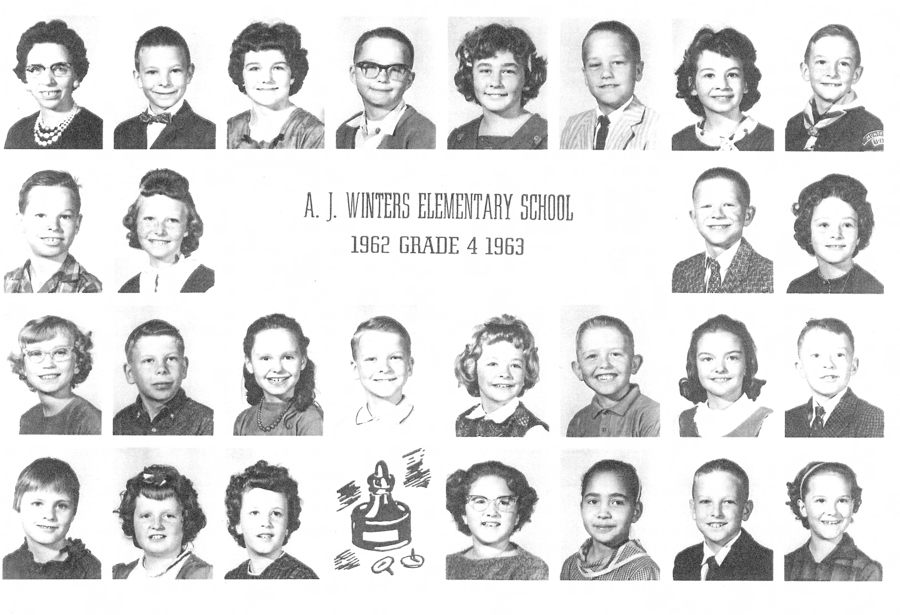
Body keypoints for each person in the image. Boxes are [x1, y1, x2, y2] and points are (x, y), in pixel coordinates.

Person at [560, 21, 660, 150]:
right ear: (585, 76)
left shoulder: (656, 126)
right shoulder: (573, 125)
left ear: (638, 70)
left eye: (617, 62)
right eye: (595, 65)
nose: (606, 73)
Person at [672, 167, 773, 293]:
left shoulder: (768, 274)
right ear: (694, 217)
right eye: (707, 206)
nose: (717, 214)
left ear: (748, 215)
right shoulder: (682, 271)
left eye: (728, 205)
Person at [448, 23, 547, 149]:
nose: (495, 82)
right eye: (485, 71)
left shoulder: (546, 137)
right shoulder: (458, 139)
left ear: (526, 77)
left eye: (508, 71)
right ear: (471, 76)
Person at [114, 26, 215, 149]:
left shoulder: (209, 134)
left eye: (175, 70)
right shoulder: (122, 132)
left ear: (189, 74)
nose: (165, 82)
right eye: (152, 72)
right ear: (138, 78)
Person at [6, 20, 102, 149]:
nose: (47, 81)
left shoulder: (97, 131)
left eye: (59, 68)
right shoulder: (17, 132)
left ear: (76, 75)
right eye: (36, 69)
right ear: (25, 78)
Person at [226, 22, 324, 149]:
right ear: (241, 75)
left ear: (293, 75)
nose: (267, 79)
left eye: (278, 68)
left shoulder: (314, 133)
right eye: (254, 68)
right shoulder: (229, 129)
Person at [785, 24, 882, 151]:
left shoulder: (869, 127)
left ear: (856, 74)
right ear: (805, 71)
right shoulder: (794, 125)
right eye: (821, 62)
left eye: (843, 64)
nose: (832, 73)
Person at [673, 27, 772, 151]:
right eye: (709, 75)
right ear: (692, 85)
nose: (722, 85)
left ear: (746, 83)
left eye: (732, 75)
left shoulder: (769, 141)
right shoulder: (678, 142)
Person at [445, 460, 548, 580]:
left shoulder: (534, 570)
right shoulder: (447, 565)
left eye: (504, 502)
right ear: (463, 514)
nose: (491, 512)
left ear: (518, 515)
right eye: (480, 501)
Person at [673, 458, 773, 580]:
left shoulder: (767, 565)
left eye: (727, 502)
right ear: (693, 509)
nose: (716, 513)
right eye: (706, 501)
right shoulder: (683, 561)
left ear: (746, 510)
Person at [5, 170, 102, 293]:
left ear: (77, 223)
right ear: (21, 221)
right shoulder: (6, 283)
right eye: (40, 215)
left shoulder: (91, 288)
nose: (53, 226)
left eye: (65, 216)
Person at [677, 314, 774, 437]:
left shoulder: (768, 422)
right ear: (695, 366)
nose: (720, 368)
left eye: (731, 358)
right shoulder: (681, 422)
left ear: (747, 364)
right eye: (707, 359)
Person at [2, 458, 100, 579]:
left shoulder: (91, 568)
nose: (49, 515)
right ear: (17, 505)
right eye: (38, 504)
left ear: (73, 512)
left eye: (61, 506)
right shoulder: (7, 566)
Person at [119, 168, 214, 293]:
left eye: (172, 220)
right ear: (136, 223)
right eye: (149, 219)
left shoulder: (210, 285)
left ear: (187, 227)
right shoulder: (127, 289)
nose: (160, 231)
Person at [338, 27, 435, 149]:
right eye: (370, 67)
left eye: (395, 69)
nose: (383, 78)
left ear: (409, 80)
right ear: (353, 74)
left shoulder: (425, 135)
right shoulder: (343, 131)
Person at [561, 460, 659, 580]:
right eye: (593, 501)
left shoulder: (642, 570)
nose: (603, 514)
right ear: (581, 508)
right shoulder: (570, 565)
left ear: (636, 511)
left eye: (616, 502)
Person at [113, 319, 214, 436]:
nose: (161, 369)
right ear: (130, 373)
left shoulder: (207, 422)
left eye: (171, 359)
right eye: (149, 360)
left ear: (184, 368)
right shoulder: (120, 422)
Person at [785, 318, 883, 437]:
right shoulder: (788, 420)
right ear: (800, 368)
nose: (829, 364)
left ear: (853, 366)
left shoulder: (874, 419)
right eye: (816, 355)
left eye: (839, 355)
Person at [454, 314, 548, 437]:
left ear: (526, 372)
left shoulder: (534, 433)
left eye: (515, 365)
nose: (505, 374)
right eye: (493, 364)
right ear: (473, 368)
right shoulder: (463, 420)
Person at [784, 461, 881, 581]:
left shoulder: (867, 571)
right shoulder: (787, 564)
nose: (832, 511)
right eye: (820, 500)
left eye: (842, 500)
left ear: (852, 505)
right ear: (803, 508)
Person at [787, 174, 883, 293]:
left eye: (847, 225)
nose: (836, 234)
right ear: (808, 233)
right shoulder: (797, 288)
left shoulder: (872, 289)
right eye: (824, 225)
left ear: (859, 234)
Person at [113, 464, 212, 579]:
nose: (156, 525)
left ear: (185, 521)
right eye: (146, 516)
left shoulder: (205, 576)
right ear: (132, 521)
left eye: (168, 516)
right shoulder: (118, 575)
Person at [567, 315, 659, 437]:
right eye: (592, 356)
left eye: (615, 354)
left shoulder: (653, 415)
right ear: (578, 370)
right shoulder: (578, 421)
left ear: (634, 364)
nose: (604, 364)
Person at [224, 460, 318, 579]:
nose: (266, 523)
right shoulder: (232, 577)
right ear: (238, 524)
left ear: (288, 526)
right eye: (255, 513)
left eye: (276, 513)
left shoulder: (301, 577)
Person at [9, 315, 101, 435]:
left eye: (60, 352)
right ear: (23, 367)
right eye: (36, 353)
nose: (48, 364)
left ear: (77, 364)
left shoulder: (90, 420)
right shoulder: (28, 419)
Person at [235, 314, 324, 436]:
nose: (278, 368)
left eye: (287, 357)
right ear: (249, 363)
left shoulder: (310, 419)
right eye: (266, 358)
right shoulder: (243, 421)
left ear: (302, 361)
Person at [350, 316, 415, 427]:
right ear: (355, 369)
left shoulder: (431, 425)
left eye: (395, 358)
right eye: (371, 359)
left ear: (409, 366)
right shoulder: (341, 429)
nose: (385, 368)